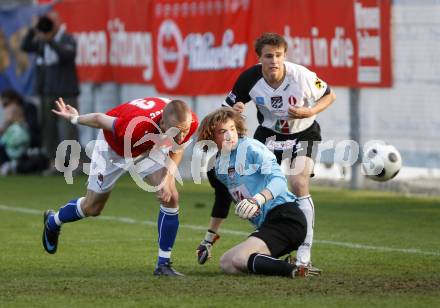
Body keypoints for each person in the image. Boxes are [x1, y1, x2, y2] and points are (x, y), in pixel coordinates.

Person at [205, 32, 336, 269]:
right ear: (260, 58)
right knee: (244, 178)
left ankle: (304, 254)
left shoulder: (301, 75)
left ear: (285, 56)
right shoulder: (248, 79)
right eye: (268, 56)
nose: (274, 61)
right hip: (270, 134)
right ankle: (268, 238)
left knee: (298, 183)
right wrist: (236, 110)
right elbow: (224, 114)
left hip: (303, 131)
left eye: (278, 55)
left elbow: (329, 95)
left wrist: (309, 111)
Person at [43, 96, 198, 276]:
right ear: (162, 122)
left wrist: (166, 180)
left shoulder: (189, 121)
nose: (180, 135)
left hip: (147, 148)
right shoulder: (135, 126)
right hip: (113, 149)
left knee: (171, 196)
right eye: (176, 131)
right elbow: (99, 119)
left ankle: (163, 265)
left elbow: (177, 148)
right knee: (92, 208)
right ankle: (53, 221)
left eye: (183, 130)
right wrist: (75, 118)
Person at [196, 108, 320, 278]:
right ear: (211, 137)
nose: (229, 135)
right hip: (268, 225)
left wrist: (258, 199)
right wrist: (208, 239)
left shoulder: (250, 147)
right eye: (222, 132)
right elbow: (222, 201)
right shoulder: (218, 167)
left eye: (232, 129)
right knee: (227, 263)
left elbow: (279, 180)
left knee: (240, 259)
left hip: (286, 218)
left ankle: (295, 270)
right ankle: (283, 264)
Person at [21, 11, 80, 169]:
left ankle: (72, 165)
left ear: (59, 23)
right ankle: (53, 163)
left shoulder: (68, 39)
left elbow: (67, 55)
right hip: (48, 92)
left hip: (66, 93)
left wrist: (51, 40)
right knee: (49, 131)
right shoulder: (42, 42)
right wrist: (33, 30)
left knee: (68, 130)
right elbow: (25, 46)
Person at [0, 90, 31, 174]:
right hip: (21, 134)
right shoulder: (18, 106)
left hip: (16, 135)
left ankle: (6, 165)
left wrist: (1, 130)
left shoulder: (12, 107)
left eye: (3, 98)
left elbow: (8, 121)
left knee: (4, 147)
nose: (2, 101)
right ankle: (11, 165)